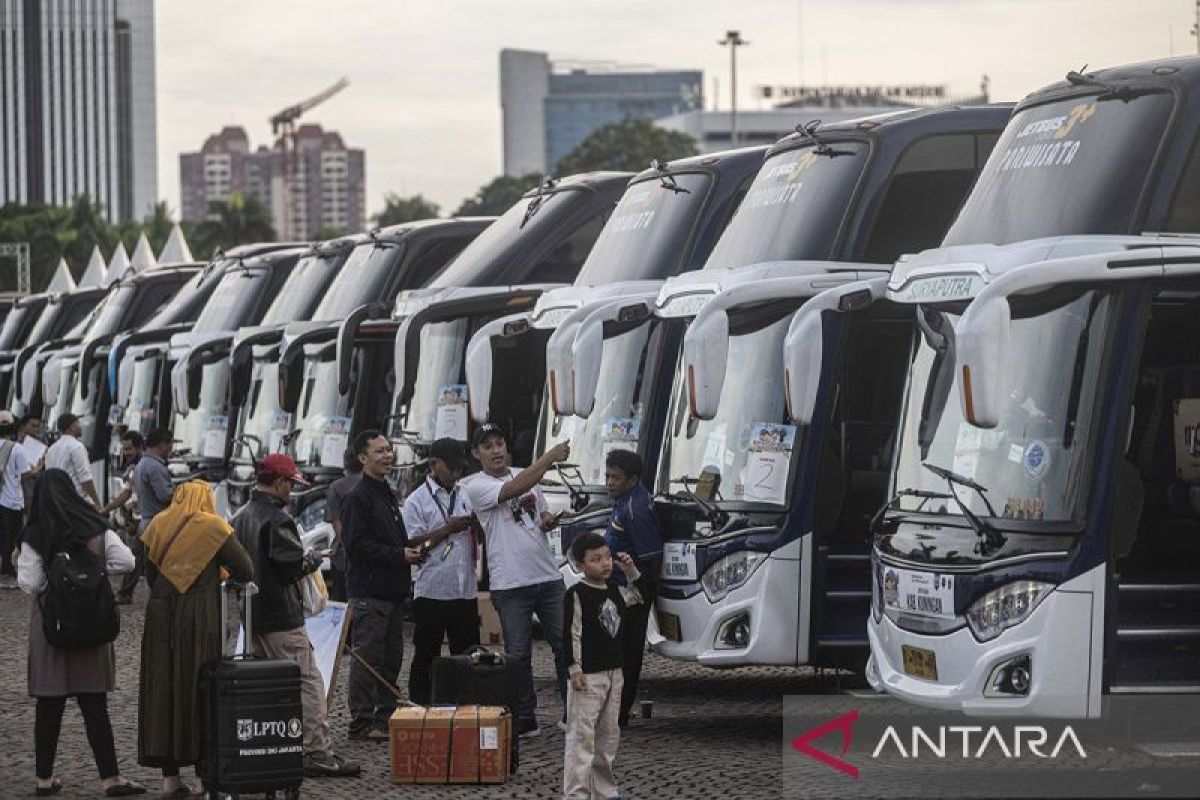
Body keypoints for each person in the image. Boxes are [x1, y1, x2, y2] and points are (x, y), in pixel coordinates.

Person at [17, 469, 145, 797]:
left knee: (49, 704)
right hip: (92, 621)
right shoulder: (94, 525)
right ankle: (110, 778)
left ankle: (44, 779)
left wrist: (58, 584)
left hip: (52, 626)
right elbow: (127, 563)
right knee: (94, 702)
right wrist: (92, 575)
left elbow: (30, 583)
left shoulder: (36, 532)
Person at [233, 453, 360, 778]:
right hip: (280, 615)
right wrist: (313, 558)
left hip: (253, 615)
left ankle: (269, 747)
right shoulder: (277, 519)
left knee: (265, 686)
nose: (292, 490)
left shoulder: (243, 514)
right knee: (307, 681)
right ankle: (317, 751)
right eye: (290, 483)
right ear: (279, 483)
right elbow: (290, 567)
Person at [138, 480, 254, 797]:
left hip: (160, 614)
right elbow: (245, 569)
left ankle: (170, 779)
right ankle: (204, 777)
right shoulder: (213, 527)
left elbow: (148, 571)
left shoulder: (159, 523)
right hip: (199, 616)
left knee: (162, 688)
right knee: (199, 689)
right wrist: (218, 572)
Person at [460, 422, 570, 738]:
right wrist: (548, 458)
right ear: (476, 453)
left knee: (565, 647)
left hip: (548, 576)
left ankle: (572, 712)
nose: (496, 450)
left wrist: (548, 520)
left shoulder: (528, 476)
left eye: (499, 443)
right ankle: (524, 716)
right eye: (488, 446)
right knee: (518, 654)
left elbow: (540, 515)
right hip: (510, 583)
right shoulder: (475, 485)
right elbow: (511, 490)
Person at [341, 429, 422, 740]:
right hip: (370, 594)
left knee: (391, 659)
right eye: (379, 451)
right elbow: (356, 545)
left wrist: (410, 551)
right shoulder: (357, 498)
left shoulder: (386, 493)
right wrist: (398, 555)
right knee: (367, 660)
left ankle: (384, 717)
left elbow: (390, 539)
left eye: (389, 450)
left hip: (394, 592)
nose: (387, 455)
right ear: (363, 458)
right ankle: (361, 722)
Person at [561, 531, 647, 800]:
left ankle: (605, 790)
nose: (605, 563)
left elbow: (642, 597)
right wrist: (574, 668)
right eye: (596, 559)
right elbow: (571, 632)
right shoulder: (577, 594)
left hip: (614, 672)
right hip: (588, 675)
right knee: (581, 736)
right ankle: (576, 793)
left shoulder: (616, 590)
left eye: (607, 557)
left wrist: (630, 570)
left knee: (608, 736)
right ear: (580, 566)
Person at [401, 438, 478, 704]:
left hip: (464, 588)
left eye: (460, 469)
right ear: (434, 465)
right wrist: (448, 529)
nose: (457, 474)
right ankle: (420, 705)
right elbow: (413, 543)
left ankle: (467, 704)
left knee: (467, 654)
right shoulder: (416, 501)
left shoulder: (464, 493)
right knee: (426, 652)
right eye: (452, 468)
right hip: (432, 587)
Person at [602, 449, 663, 727]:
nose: (609, 482)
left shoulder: (636, 509)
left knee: (627, 654)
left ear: (633, 479)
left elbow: (651, 560)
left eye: (616, 477)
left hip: (632, 593)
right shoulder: (622, 500)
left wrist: (637, 586)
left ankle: (620, 712)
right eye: (607, 476)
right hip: (616, 588)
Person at [101, 430, 144, 604]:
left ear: (140, 447)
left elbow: (128, 496)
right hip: (135, 518)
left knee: (136, 556)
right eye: (124, 449)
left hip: (142, 519)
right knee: (140, 556)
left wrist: (108, 509)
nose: (126, 453)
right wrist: (109, 509)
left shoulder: (140, 467)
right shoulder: (132, 467)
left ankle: (126, 593)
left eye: (129, 449)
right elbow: (126, 494)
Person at [1, 411, 39, 585]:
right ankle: (8, 571)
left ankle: (5, 568)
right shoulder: (16, 448)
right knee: (15, 537)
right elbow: (24, 475)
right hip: (11, 500)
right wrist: (38, 468)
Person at [325, 447, 362, 602]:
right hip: (370, 556)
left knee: (341, 602)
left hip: (343, 557)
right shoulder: (375, 484)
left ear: (344, 462)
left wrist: (349, 549)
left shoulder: (336, 487)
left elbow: (337, 523)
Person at [44, 413, 100, 507]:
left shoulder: (51, 450)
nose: (80, 427)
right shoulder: (77, 447)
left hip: (57, 501)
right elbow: (85, 479)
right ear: (71, 427)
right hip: (76, 502)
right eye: (78, 423)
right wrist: (97, 503)